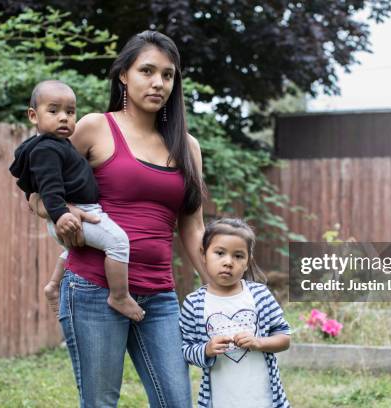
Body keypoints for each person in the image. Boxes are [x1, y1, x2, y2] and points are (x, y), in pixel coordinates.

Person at [30, 31, 207, 407]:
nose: (158, 82)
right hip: (92, 289)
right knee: (101, 403)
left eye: (168, 74)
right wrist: (60, 211)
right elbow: (38, 190)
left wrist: (220, 289)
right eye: (147, 70)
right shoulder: (94, 127)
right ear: (124, 75)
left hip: (159, 295)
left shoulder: (187, 147)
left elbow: (193, 227)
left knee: (176, 401)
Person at [9, 80, 145, 322]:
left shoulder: (56, 145)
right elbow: (49, 187)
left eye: (70, 112)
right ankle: (120, 296)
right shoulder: (46, 149)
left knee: (71, 250)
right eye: (54, 111)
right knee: (118, 243)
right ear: (33, 115)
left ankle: (53, 285)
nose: (64, 118)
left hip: (72, 212)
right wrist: (61, 215)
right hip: (74, 214)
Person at [179, 218, 291, 408]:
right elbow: (186, 350)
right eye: (220, 253)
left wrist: (259, 342)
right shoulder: (194, 303)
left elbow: (284, 338)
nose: (228, 262)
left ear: (248, 262)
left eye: (238, 256)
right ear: (203, 254)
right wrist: (206, 349)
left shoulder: (260, 295)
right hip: (220, 400)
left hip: (264, 399)